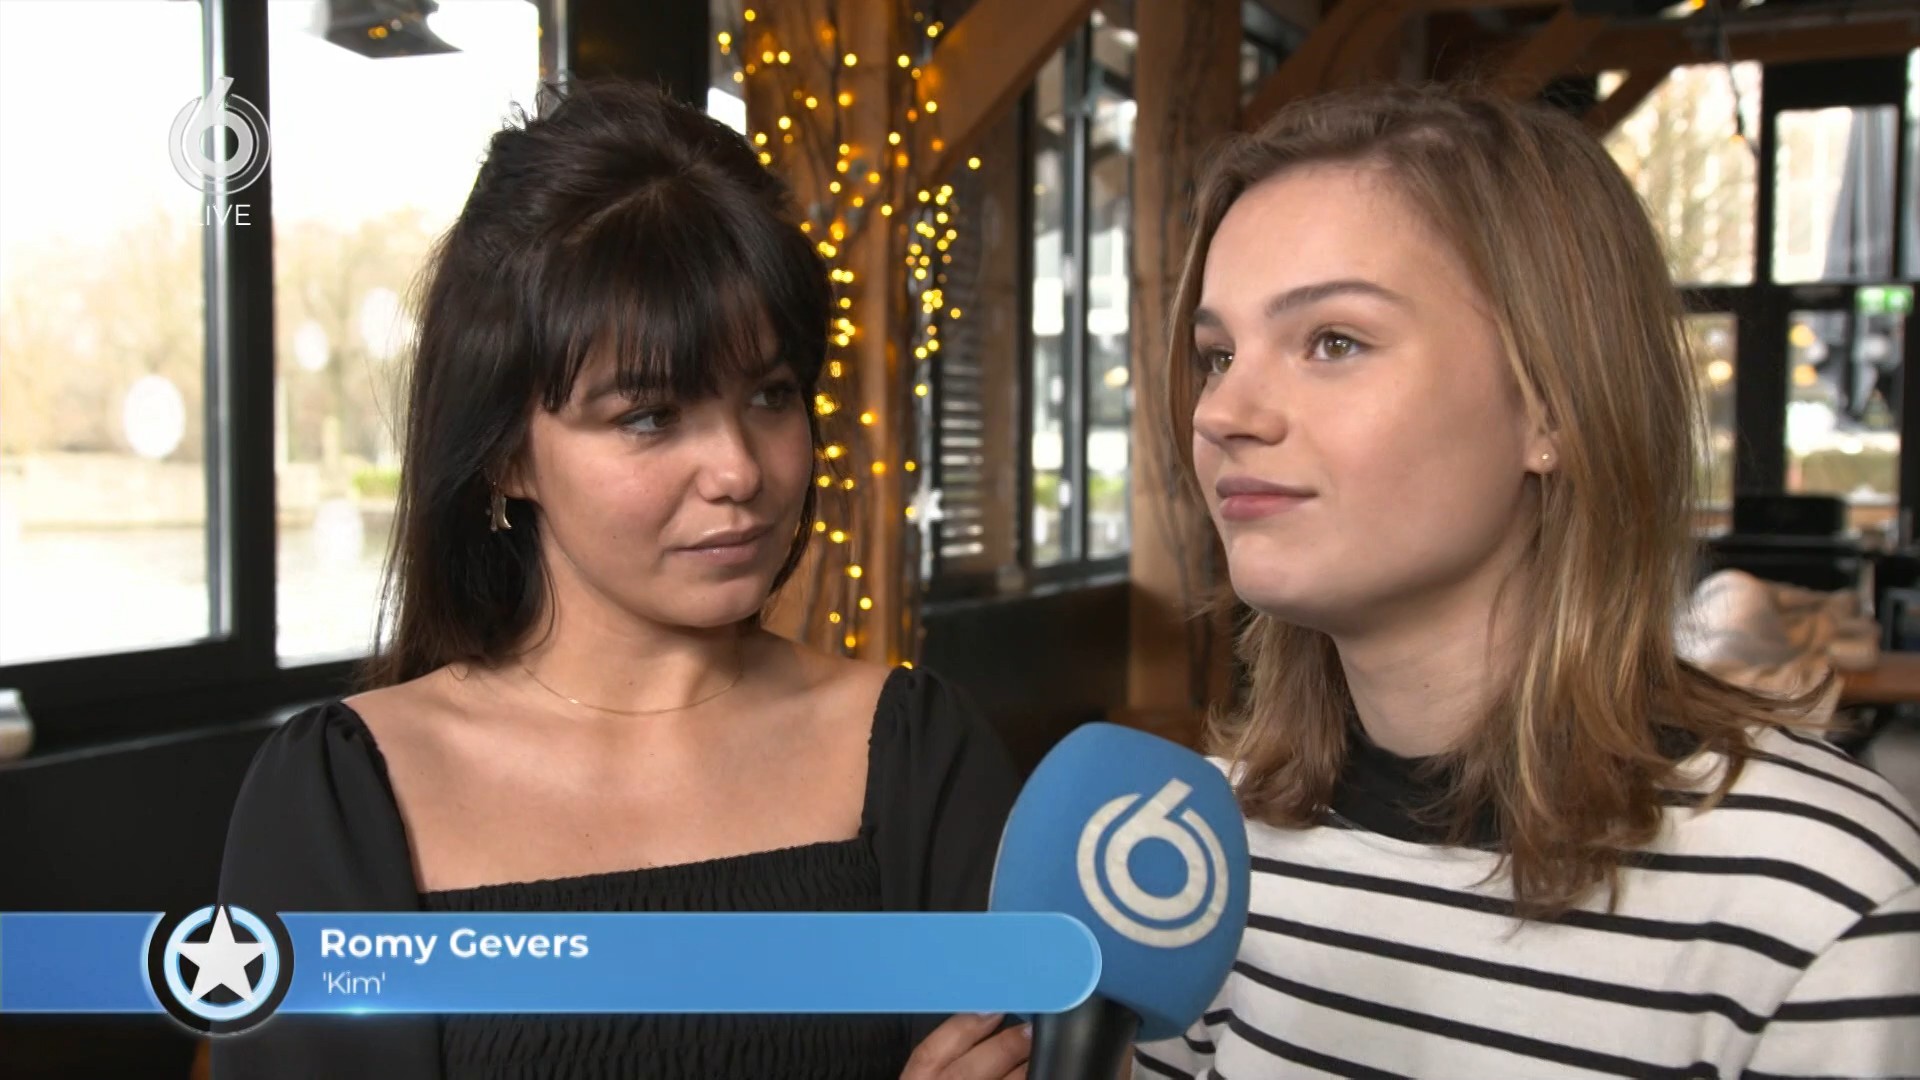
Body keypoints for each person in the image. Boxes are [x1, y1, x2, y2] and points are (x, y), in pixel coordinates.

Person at [214, 78, 1029, 1080]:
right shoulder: (341, 797)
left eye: (772, 395)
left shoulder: (915, 756)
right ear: (507, 453)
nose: (738, 469)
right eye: (649, 415)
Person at [1133, 83, 1920, 1078]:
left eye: (1334, 342)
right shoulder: (1195, 852)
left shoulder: (1819, 899)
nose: (1221, 414)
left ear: (1551, 405)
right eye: (1217, 355)